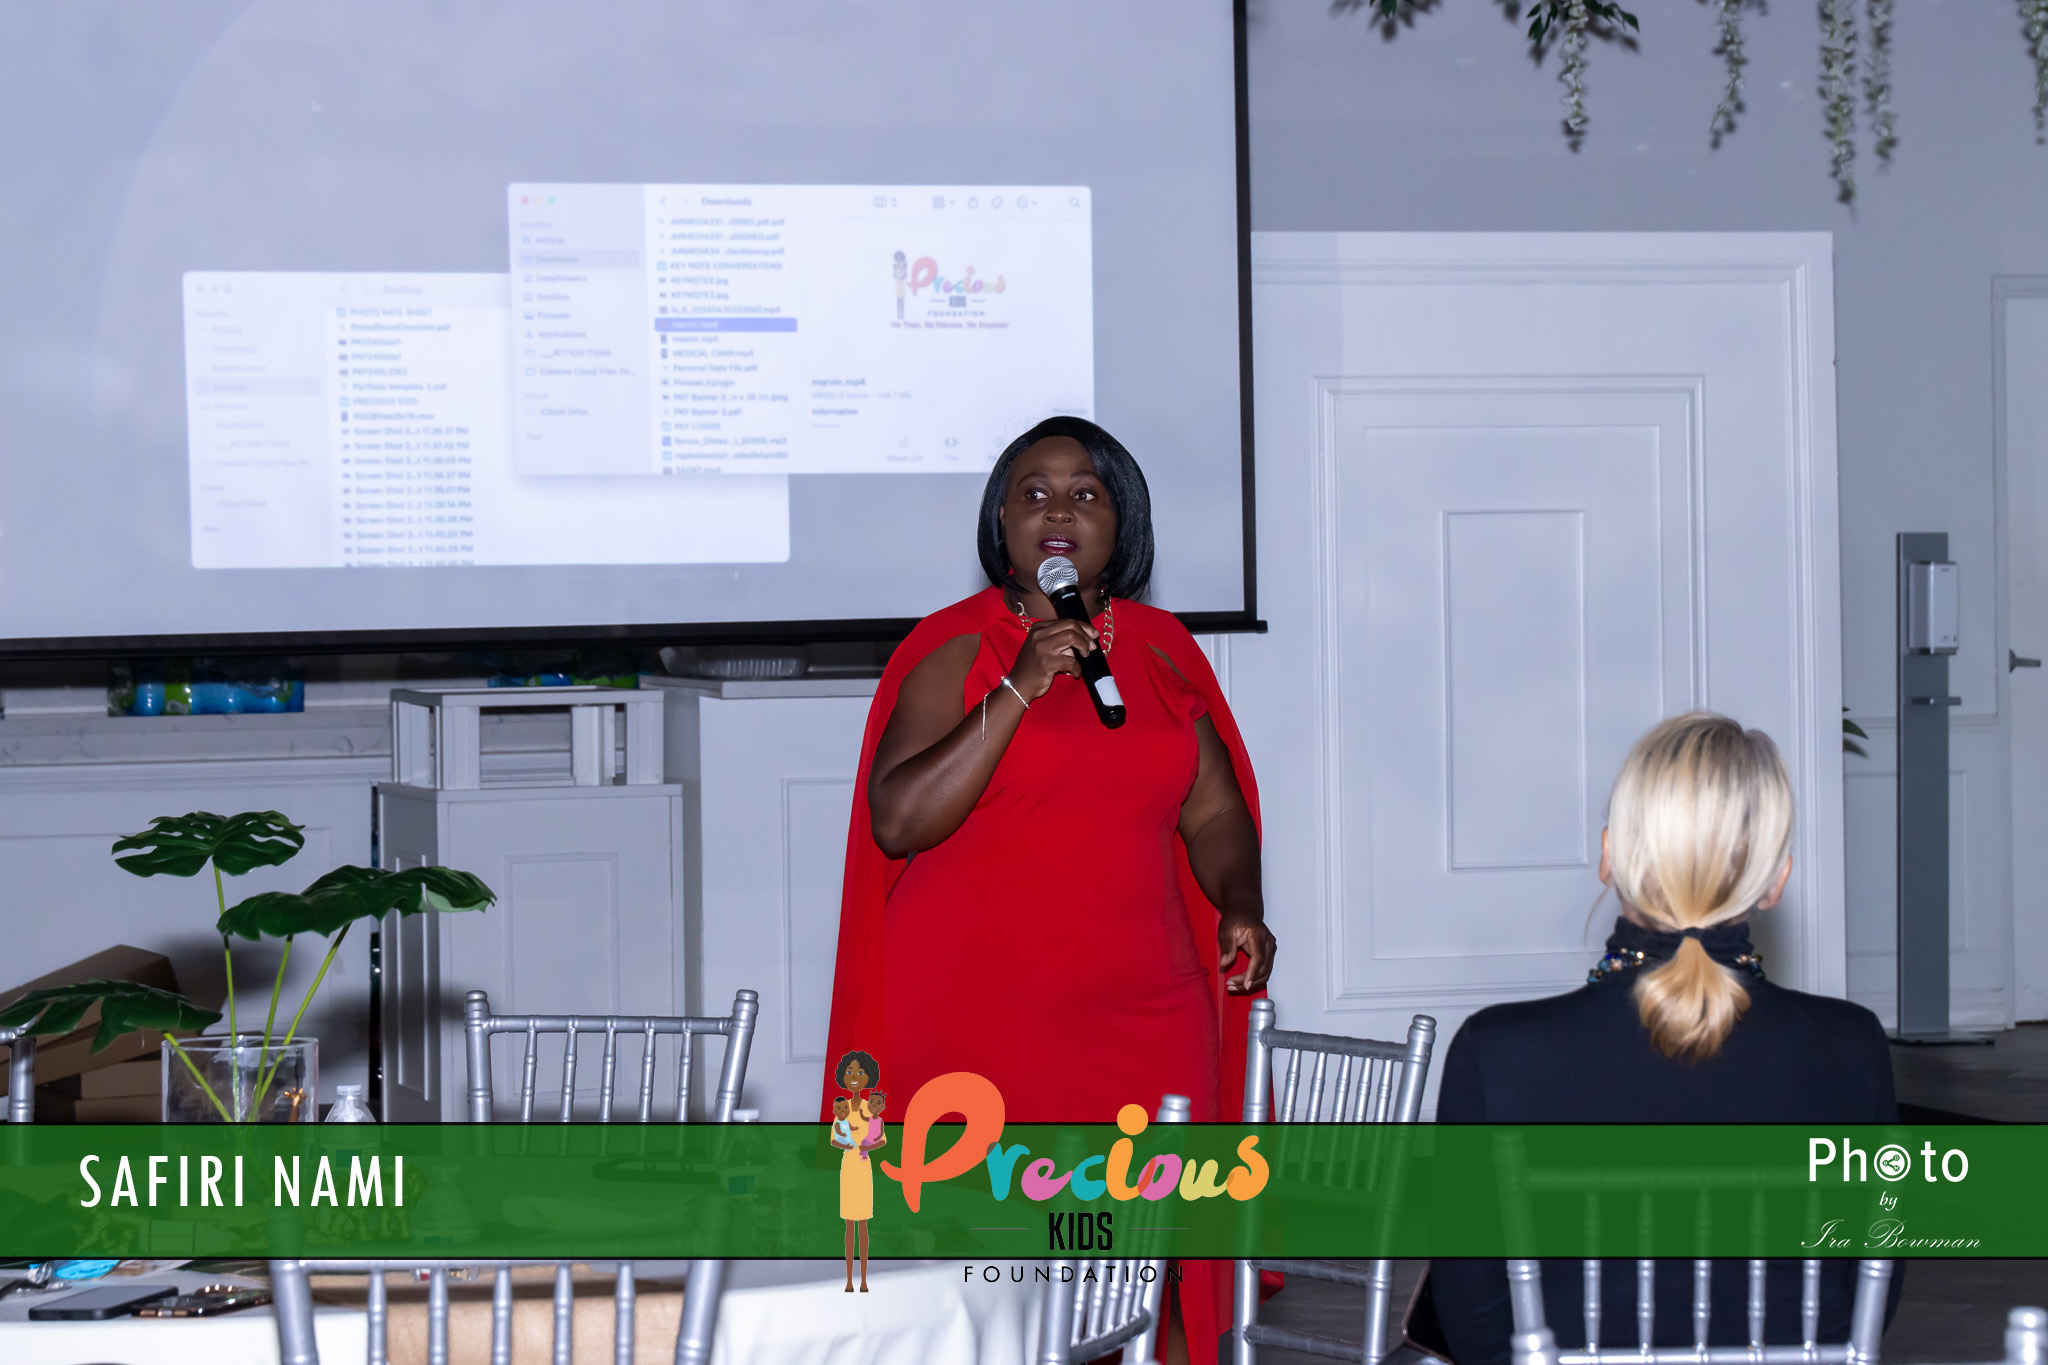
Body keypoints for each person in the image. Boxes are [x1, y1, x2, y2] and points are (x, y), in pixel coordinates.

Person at [823, 415, 1276, 1363]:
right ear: (1002, 519)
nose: (1057, 511)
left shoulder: (1160, 652)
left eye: (1085, 493)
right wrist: (1021, 684)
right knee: (991, 1277)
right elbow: (899, 818)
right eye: (1033, 493)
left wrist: (1239, 898)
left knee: (1141, 1270)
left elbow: (1213, 812)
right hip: (982, 1019)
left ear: (1122, 521)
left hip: (1145, 1016)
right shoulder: (954, 649)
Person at [1425, 712, 1900, 1365]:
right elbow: (1869, 1296)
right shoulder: (1852, 1047)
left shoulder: (1495, 1051)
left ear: (1608, 855)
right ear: (1776, 881)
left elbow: (1472, 1321)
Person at [831, 1049, 882, 1292]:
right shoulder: (840, 1109)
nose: (854, 1076)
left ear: (868, 1076)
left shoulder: (871, 1108)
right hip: (849, 1167)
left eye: (860, 1072)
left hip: (863, 1167)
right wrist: (848, 1145)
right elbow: (834, 1139)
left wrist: (867, 1146)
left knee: (863, 1225)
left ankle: (863, 1280)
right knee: (848, 1225)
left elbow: (881, 1139)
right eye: (850, 1071)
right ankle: (849, 1280)